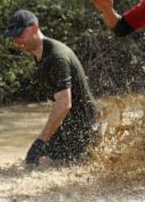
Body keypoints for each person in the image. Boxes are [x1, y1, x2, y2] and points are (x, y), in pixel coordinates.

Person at [6, 9, 99, 165]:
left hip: (85, 129)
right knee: (33, 161)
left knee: (41, 162)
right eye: (13, 37)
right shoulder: (41, 53)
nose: (16, 41)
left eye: (20, 35)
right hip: (70, 126)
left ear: (35, 28)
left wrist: (40, 141)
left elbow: (64, 103)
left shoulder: (56, 57)